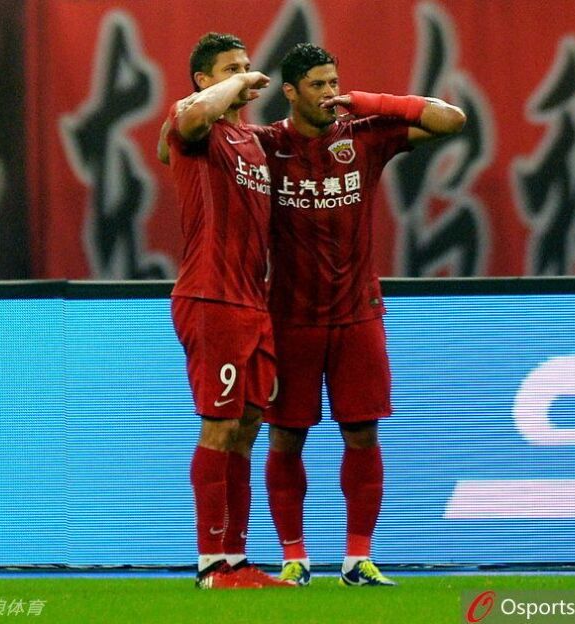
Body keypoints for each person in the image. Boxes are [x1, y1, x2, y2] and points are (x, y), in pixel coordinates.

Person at [251, 43, 466, 587]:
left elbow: (451, 120)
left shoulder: (363, 135)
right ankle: (294, 558)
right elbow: (179, 147)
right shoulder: (267, 146)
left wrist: (370, 100)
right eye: (317, 85)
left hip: (357, 315)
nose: (329, 93)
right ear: (290, 91)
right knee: (285, 440)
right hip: (290, 318)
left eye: (334, 82)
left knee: (363, 435)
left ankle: (358, 558)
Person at [163, 32, 290, 590]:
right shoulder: (195, 126)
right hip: (210, 295)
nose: (244, 74)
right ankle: (210, 563)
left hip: (252, 302)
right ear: (204, 80)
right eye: (230, 68)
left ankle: (236, 559)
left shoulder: (251, 141)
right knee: (218, 426)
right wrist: (237, 86)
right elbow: (185, 124)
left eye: (246, 66)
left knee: (246, 428)